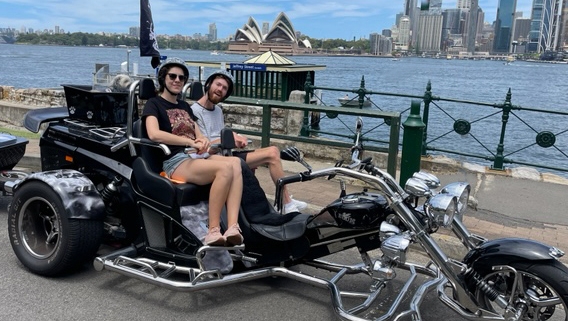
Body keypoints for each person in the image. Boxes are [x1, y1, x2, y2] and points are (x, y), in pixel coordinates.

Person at [142, 57, 243, 246]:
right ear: (164, 78)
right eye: (173, 76)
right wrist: (189, 142)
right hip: (173, 161)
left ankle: (232, 227)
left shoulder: (184, 106)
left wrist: (202, 141)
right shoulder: (154, 104)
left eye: (181, 77)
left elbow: (198, 134)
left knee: (236, 163)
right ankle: (213, 231)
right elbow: (154, 134)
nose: (177, 80)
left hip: (190, 156)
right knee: (224, 170)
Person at [190, 70, 307, 214]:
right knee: (271, 153)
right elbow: (206, 146)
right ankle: (285, 204)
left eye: (224, 88)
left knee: (274, 151)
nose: (220, 90)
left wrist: (235, 139)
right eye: (218, 85)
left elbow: (221, 137)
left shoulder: (218, 110)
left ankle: (285, 200)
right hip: (213, 159)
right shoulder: (194, 111)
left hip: (227, 153)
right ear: (208, 84)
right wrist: (231, 137)